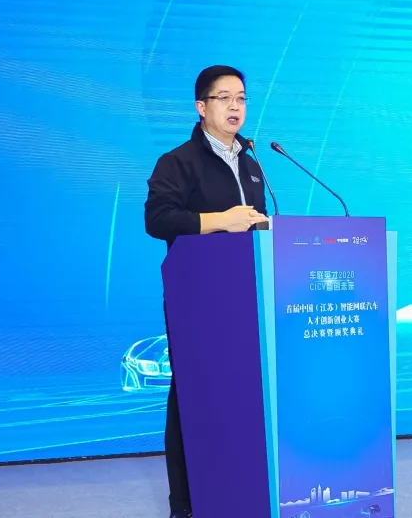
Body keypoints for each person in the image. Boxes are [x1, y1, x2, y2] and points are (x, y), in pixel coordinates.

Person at [144, 65, 269, 518]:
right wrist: (221, 220)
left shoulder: (252, 164)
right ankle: (186, 505)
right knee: (193, 396)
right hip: (198, 300)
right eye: (225, 98)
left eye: (242, 98)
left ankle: (239, 492)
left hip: (247, 298)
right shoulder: (178, 162)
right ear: (202, 107)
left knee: (243, 395)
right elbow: (157, 219)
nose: (236, 106)